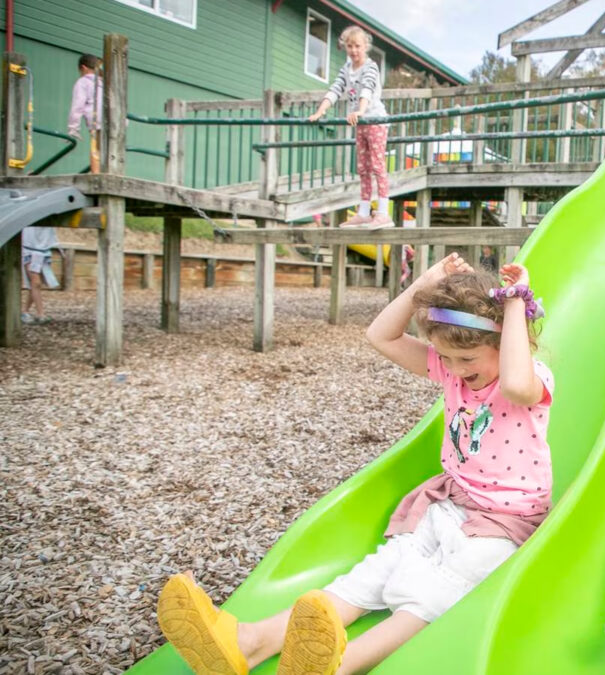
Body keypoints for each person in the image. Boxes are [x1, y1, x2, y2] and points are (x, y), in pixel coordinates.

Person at [157, 253, 555, 675]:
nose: (454, 370)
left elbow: (514, 381)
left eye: (467, 359)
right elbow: (380, 335)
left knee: (436, 593)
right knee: (374, 573)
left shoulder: (533, 377)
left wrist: (514, 303)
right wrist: (425, 282)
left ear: (504, 341)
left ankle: (339, 667)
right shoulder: (453, 368)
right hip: (448, 504)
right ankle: (249, 643)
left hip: (505, 524)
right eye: (447, 359)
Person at [308, 27, 391, 228]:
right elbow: (336, 89)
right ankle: (363, 211)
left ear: (365, 47)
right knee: (363, 167)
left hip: (374, 120)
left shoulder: (370, 67)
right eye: (350, 46)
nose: (354, 50)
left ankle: (382, 212)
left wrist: (361, 110)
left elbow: (367, 89)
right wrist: (321, 111)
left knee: (378, 166)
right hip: (359, 123)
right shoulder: (347, 69)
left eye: (358, 46)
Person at [21, 226, 64, 324]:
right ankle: (40, 314)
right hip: (28, 249)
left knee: (35, 284)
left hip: (43, 250)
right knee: (36, 282)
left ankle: (25, 311)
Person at [67, 53, 102, 174]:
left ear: (83, 68)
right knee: (110, 151)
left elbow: (77, 106)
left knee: (96, 149)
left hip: (97, 120)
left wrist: (73, 128)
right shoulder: (105, 82)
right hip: (113, 121)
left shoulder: (83, 82)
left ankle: (96, 176)